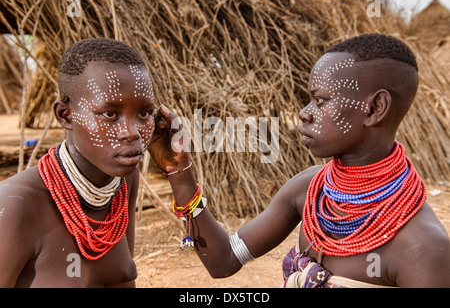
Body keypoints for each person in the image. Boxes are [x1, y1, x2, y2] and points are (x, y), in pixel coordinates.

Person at [151, 33, 450, 287]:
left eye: (320, 101)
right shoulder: (310, 189)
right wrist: (180, 172)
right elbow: (224, 261)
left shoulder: (421, 246)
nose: (304, 113)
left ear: (374, 108)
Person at [0, 38, 159, 287]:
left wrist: (179, 174)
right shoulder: (15, 208)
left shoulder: (123, 182)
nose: (132, 132)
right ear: (65, 115)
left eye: (143, 113)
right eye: (110, 114)